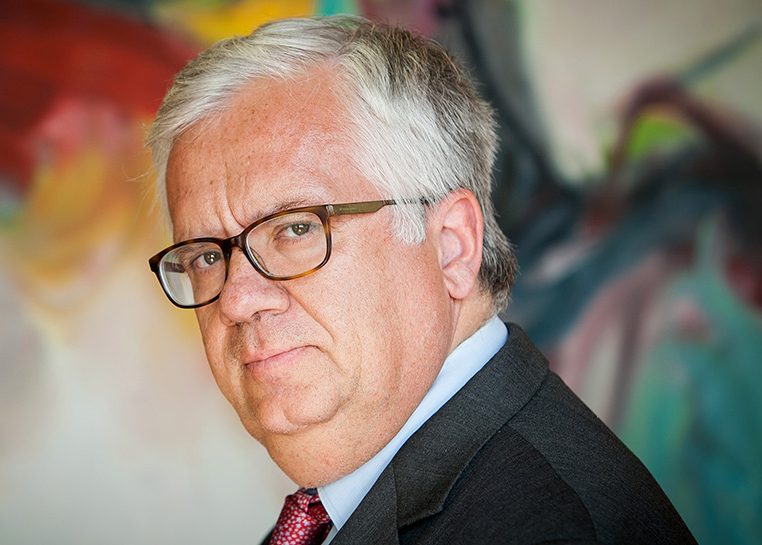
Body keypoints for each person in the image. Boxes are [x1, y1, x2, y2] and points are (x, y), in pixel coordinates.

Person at [145, 15, 696, 545]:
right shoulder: (340, 508)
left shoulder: (553, 532)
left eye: (295, 228)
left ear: (452, 246)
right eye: (205, 258)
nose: (236, 300)